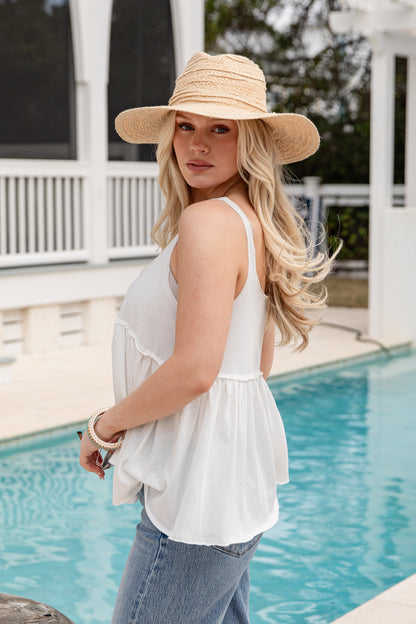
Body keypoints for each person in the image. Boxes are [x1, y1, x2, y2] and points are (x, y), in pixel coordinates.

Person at [79, 52, 333, 624]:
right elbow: (254, 366)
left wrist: (106, 424)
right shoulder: (249, 222)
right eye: (187, 126)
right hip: (229, 486)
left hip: (198, 496)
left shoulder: (209, 223)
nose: (197, 144)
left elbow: (197, 369)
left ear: (252, 142)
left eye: (221, 129)